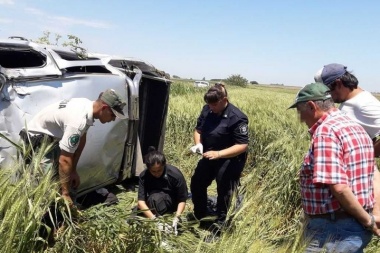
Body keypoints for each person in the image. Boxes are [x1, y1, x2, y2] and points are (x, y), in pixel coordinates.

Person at [288, 82, 379, 252]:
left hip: (332, 232)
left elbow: (340, 188)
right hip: (354, 229)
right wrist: (371, 217)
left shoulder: (326, 132)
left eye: (300, 112)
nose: (300, 119)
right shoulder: (356, 128)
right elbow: (374, 174)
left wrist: (369, 221)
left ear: (311, 106)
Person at [20, 88, 127, 205]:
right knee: (43, 189)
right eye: (113, 115)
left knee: (63, 179)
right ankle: (44, 217)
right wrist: (65, 194)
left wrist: (73, 170)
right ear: (104, 108)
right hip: (36, 142)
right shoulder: (78, 120)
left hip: (51, 141)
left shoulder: (86, 106)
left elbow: (81, 138)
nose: (113, 119)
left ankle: (63, 211)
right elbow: (64, 159)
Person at [314, 63, 380, 222]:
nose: (328, 97)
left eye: (328, 91)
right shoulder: (352, 100)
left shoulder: (363, 103)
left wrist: (368, 153)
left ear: (338, 83)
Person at [190, 83, 249, 227]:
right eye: (209, 105)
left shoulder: (237, 117)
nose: (211, 108)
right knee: (197, 183)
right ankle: (200, 215)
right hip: (209, 154)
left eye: (214, 104)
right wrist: (198, 144)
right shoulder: (207, 110)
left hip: (230, 159)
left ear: (224, 100)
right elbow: (198, 130)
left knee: (225, 192)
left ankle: (221, 225)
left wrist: (219, 154)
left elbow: (242, 145)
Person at [137, 147, 188, 234]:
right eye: (153, 171)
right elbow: (141, 202)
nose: (157, 174)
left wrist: (177, 217)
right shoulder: (144, 176)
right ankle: (157, 221)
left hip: (171, 202)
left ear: (164, 165)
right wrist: (154, 220)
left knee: (155, 198)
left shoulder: (175, 175)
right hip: (152, 201)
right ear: (148, 169)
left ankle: (167, 222)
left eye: (159, 170)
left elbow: (182, 200)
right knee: (134, 218)